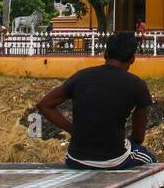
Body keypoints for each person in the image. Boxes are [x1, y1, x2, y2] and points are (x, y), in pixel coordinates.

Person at [35, 31, 155, 170]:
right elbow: (138, 138)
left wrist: (73, 130)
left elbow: (44, 105)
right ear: (133, 59)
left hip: (75, 159)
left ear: (105, 54)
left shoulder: (80, 77)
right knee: (150, 161)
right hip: (114, 159)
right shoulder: (137, 85)